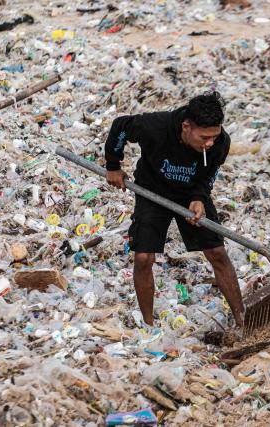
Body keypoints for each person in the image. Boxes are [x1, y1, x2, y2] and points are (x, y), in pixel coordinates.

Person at [103, 91, 244, 328]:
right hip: (152, 191)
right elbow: (121, 126)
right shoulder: (154, 126)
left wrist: (199, 197)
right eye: (204, 138)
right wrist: (113, 165)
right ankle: (149, 325)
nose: (210, 143)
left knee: (217, 252)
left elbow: (210, 174)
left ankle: (243, 319)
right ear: (186, 127)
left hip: (189, 194)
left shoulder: (220, 143)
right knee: (144, 256)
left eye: (214, 137)